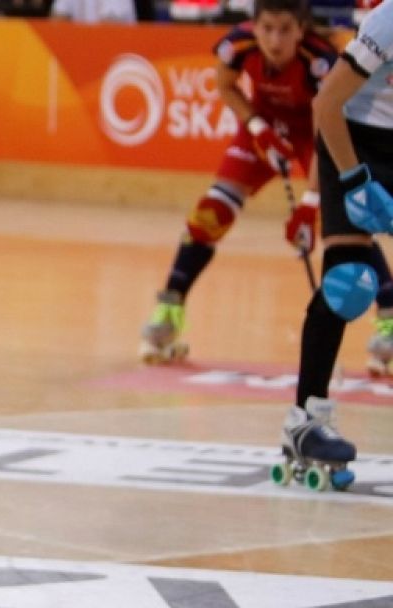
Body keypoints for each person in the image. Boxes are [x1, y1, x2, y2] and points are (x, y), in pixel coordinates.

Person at [141, 0, 339, 364]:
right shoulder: (239, 45)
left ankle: (387, 320)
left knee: (342, 226)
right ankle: (169, 309)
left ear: (301, 29)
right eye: (266, 28)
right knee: (210, 213)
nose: (274, 40)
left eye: (284, 30)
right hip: (261, 130)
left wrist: (310, 203)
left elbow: (327, 128)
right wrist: (258, 127)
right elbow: (226, 86)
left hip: (314, 133)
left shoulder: (321, 61)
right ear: (254, 26)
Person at [274, 0, 393, 489]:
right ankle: (305, 421)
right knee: (348, 283)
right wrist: (354, 179)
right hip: (355, 140)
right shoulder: (389, 20)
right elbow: (326, 104)